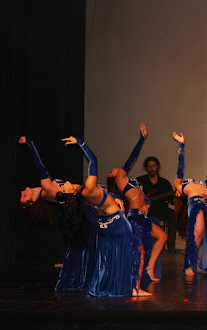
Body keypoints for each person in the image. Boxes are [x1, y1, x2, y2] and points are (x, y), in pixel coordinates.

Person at [61, 135, 149, 297]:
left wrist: (116, 198)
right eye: (63, 189)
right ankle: (134, 289)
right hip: (117, 223)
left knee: (109, 258)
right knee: (133, 253)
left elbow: (103, 197)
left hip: (104, 224)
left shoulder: (83, 196)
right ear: (70, 193)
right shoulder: (87, 189)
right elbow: (93, 160)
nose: (62, 186)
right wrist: (80, 143)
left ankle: (110, 287)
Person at [18, 135, 97, 292]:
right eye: (24, 196)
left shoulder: (45, 193)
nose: (22, 191)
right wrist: (30, 143)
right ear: (33, 200)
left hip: (87, 205)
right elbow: (40, 166)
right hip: (89, 205)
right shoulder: (46, 188)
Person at [107, 123, 167, 282]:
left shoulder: (130, 180)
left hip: (143, 215)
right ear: (113, 177)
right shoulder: (120, 178)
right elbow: (131, 159)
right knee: (137, 250)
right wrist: (141, 139)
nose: (114, 168)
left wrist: (147, 204)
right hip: (135, 217)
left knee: (162, 237)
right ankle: (134, 281)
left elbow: (142, 196)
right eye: (112, 171)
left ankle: (149, 268)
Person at [172, 132, 207, 276]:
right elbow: (181, 166)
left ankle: (200, 265)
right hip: (197, 203)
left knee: (206, 236)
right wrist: (182, 146)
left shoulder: (203, 185)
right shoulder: (180, 186)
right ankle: (188, 266)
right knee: (197, 232)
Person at [138, 156, 176, 253]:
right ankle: (144, 247)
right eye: (149, 166)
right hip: (147, 211)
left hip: (162, 210)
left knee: (173, 216)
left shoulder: (165, 183)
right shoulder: (140, 181)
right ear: (146, 168)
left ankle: (171, 248)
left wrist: (178, 197)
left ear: (157, 167)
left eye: (154, 166)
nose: (152, 169)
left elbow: (172, 200)